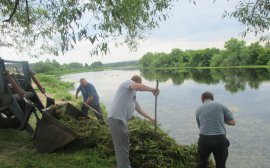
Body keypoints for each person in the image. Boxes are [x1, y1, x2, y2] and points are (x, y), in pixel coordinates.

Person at [108, 75, 159, 168]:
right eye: (138, 86)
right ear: (136, 82)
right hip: (117, 119)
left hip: (119, 120)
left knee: (123, 145)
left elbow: (139, 110)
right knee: (122, 147)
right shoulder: (127, 83)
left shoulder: (132, 95)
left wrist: (151, 118)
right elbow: (138, 86)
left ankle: (122, 165)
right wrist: (152, 89)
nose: (138, 90)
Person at [195, 91, 236, 168]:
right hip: (220, 139)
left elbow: (200, 126)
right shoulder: (220, 105)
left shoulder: (198, 109)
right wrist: (221, 120)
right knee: (221, 164)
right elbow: (232, 122)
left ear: (202, 99)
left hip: (204, 139)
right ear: (212, 98)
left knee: (202, 163)